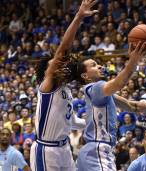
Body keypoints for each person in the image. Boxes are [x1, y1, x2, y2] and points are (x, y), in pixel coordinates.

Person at [29, 0, 97, 170]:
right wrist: (78, 17)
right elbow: (63, 51)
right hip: (46, 150)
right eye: (56, 64)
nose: (61, 66)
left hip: (64, 148)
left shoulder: (65, 90)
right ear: (48, 72)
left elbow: (71, 122)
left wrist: (93, 121)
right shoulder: (47, 87)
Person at [76, 42, 146, 171]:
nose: (99, 66)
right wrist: (134, 60)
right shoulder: (96, 87)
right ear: (85, 76)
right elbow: (119, 82)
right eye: (94, 65)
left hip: (90, 151)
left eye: (98, 64)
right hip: (98, 150)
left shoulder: (101, 94)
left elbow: (132, 106)